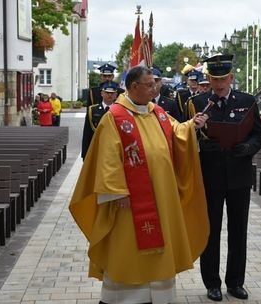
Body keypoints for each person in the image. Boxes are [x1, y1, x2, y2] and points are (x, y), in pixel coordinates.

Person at [69, 66, 210, 304]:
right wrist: (116, 191)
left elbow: (176, 132)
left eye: (155, 83)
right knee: (129, 246)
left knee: (160, 243)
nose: (156, 88)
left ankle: (159, 293)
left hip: (162, 195)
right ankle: (124, 297)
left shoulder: (158, 113)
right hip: (130, 200)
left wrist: (192, 125)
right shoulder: (115, 117)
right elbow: (107, 157)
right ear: (134, 87)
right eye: (150, 84)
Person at [188, 54, 261, 302]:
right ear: (208, 78)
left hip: (239, 176)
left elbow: (259, 135)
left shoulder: (247, 101)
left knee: (238, 231)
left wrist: (247, 148)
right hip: (210, 175)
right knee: (210, 231)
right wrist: (196, 132)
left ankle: (235, 282)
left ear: (231, 77)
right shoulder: (198, 102)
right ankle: (212, 283)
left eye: (223, 78)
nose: (219, 83)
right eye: (214, 78)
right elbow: (180, 137)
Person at [81, 82, 118, 159]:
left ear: (116, 95)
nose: (109, 95)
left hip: (114, 151)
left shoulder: (120, 110)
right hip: (97, 150)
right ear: (102, 93)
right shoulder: (93, 110)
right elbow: (87, 133)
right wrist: (85, 155)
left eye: (112, 93)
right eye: (107, 92)